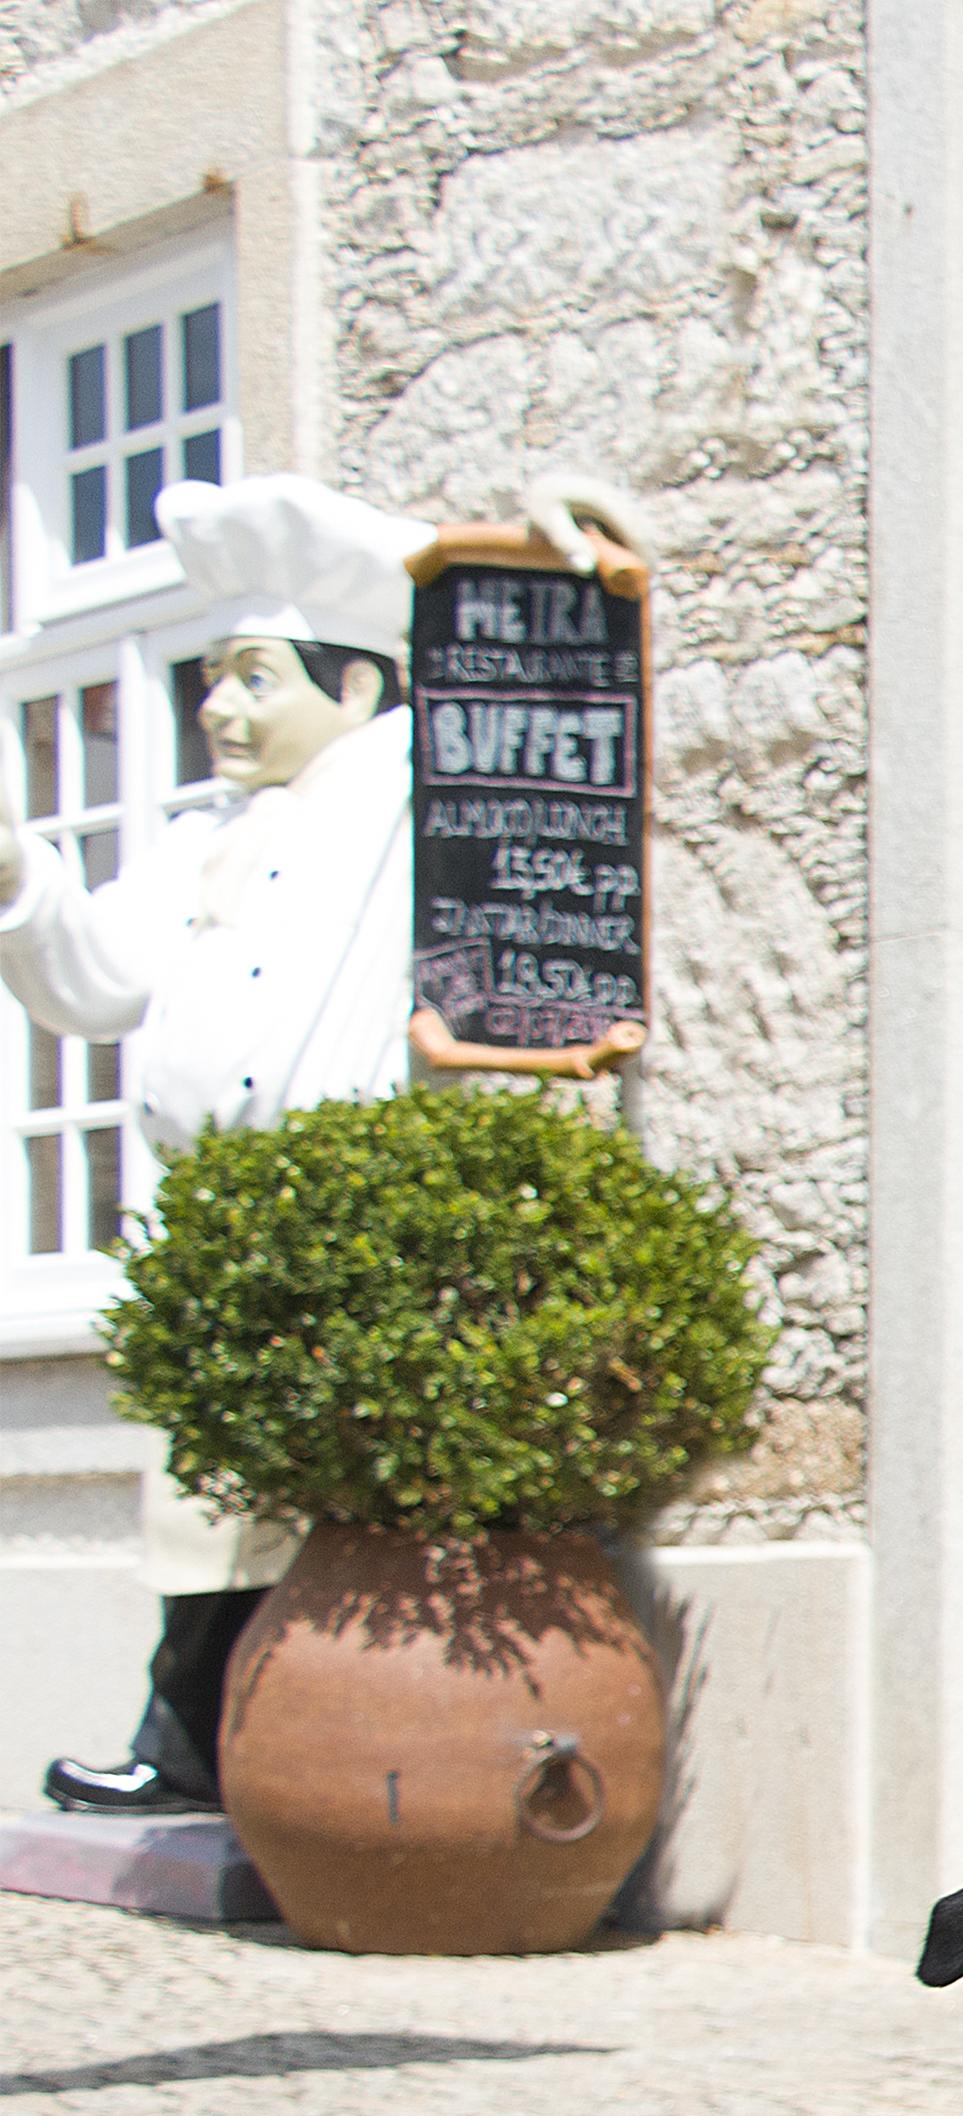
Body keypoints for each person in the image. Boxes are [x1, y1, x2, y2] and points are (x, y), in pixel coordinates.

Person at [0, 474, 639, 1816]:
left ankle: (249, 1753)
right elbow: (91, 979)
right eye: (214, 677)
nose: (219, 710)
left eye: (252, 677)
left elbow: (508, 709)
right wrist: (19, 877)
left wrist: (538, 555)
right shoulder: (203, 843)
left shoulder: (397, 797)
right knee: (202, 1514)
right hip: (215, 1234)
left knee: (311, 1513)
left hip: (346, 1225)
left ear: (355, 692)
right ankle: (194, 1745)